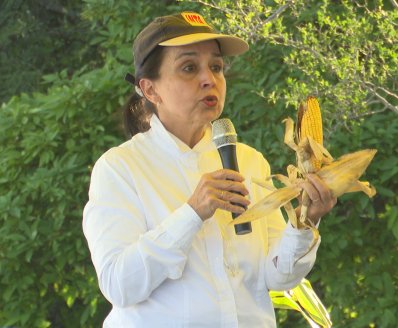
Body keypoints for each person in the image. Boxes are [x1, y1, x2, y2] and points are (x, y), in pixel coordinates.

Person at [82, 11, 337, 327]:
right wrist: (192, 213)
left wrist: (305, 220)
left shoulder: (248, 161)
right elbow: (119, 285)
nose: (209, 79)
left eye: (216, 67)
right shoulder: (120, 168)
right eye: (189, 68)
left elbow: (276, 275)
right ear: (150, 90)